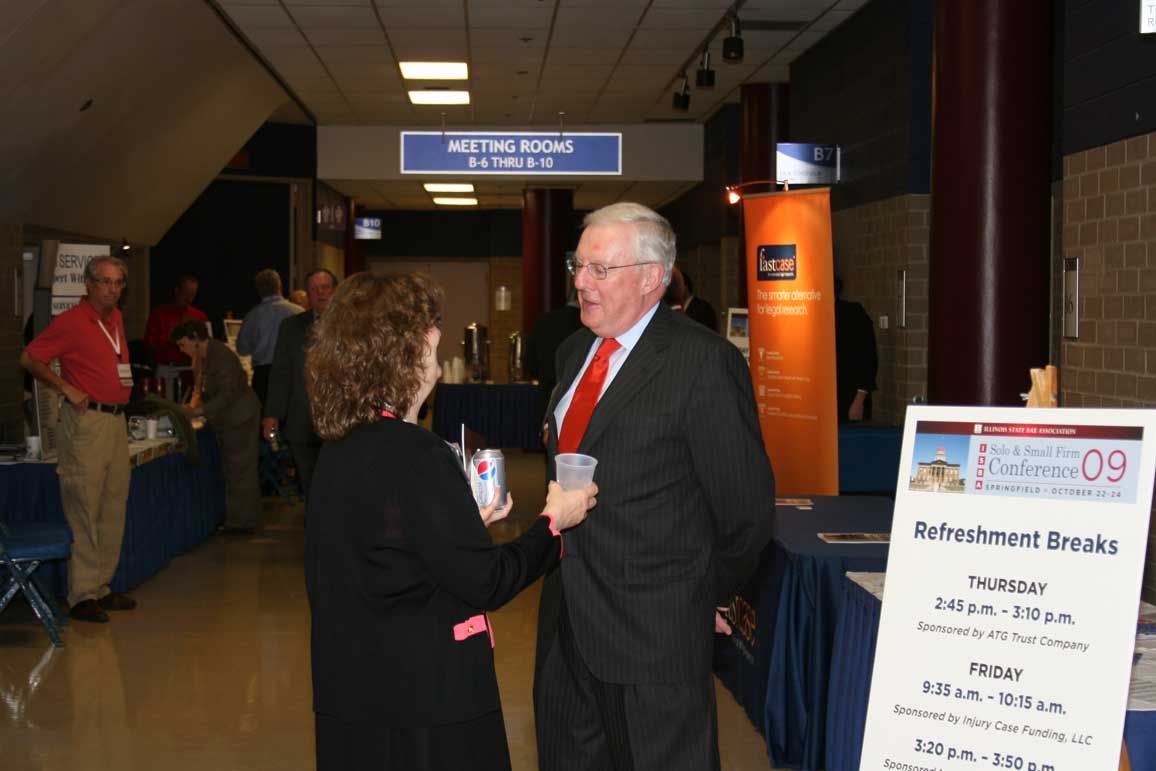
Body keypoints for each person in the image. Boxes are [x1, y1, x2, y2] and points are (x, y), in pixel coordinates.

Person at [304, 271, 597, 771]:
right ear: (403, 355)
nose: (436, 358)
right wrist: (553, 522)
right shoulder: (416, 452)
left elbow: (387, 553)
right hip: (423, 702)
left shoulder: (340, 446)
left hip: (354, 693)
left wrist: (464, 525)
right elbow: (487, 581)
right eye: (429, 342)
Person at [534, 203, 776, 771]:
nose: (579, 281)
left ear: (652, 278)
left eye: (600, 269)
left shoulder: (702, 363)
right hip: (565, 626)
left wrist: (700, 597)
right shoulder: (574, 353)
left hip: (654, 637)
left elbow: (745, 511)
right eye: (578, 264)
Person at [20, 255, 137, 623]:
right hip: (87, 422)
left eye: (118, 283)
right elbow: (30, 358)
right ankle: (82, 593)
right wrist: (65, 386)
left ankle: (101, 585)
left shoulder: (115, 319)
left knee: (113, 503)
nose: (112, 289)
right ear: (88, 284)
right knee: (83, 504)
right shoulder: (71, 322)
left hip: (116, 421)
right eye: (105, 282)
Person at [172, 320, 263, 533]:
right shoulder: (202, 358)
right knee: (233, 470)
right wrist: (195, 404)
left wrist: (197, 411)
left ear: (195, 338)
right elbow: (202, 390)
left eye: (182, 344)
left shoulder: (221, 356)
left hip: (240, 418)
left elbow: (227, 395)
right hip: (228, 418)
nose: (181, 350)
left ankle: (241, 523)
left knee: (240, 470)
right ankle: (240, 519)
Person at [263, 268, 338, 497]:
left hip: (339, 422)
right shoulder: (291, 327)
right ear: (308, 294)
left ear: (335, 291)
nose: (320, 293)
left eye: (325, 287)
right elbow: (280, 374)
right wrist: (271, 415)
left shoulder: (351, 325)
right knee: (309, 486)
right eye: (314, 289)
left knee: (336, 486)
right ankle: (315, 530)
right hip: (301, 421)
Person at [236, 268, 303, 408]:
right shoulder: (298, 312)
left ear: (258, 290)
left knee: (266, 421)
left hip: (264, 376)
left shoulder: (252, 316)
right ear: (280, 285)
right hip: (293, 373)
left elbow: (242, 349)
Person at [834, 276, 878, 422]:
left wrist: (859, 400)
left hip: (850, 399)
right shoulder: (813, 316)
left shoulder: (853, 314)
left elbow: (868, 358)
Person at [144, 274, 209, 365]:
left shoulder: (200, 316)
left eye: (192, 295)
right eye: (186, 294)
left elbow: (207, 346)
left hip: (192, 368)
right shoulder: (159, 314)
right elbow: (150, 345)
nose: (189, 299)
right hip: (167, 368)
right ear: (177, 291)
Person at [665, 265, 719, 331]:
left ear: (685, 287)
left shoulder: (703, 308)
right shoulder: (671, 307)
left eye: (676, 286)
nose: (673, 290)